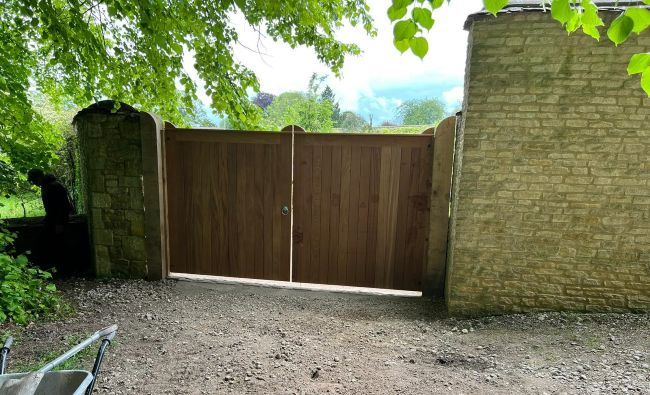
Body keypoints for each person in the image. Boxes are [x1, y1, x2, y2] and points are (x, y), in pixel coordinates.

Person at [27, 168, 74, 273]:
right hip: (53, 221)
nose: (33, 183)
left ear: (39, 177)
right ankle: (58, 270)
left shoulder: (54, 186)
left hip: (58, 222)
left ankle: (62, 270)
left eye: (33, 180)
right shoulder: (47, 186)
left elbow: (62, 207)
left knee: (57, 245)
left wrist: (59, 224)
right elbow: (52, 207)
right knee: (53, 245)